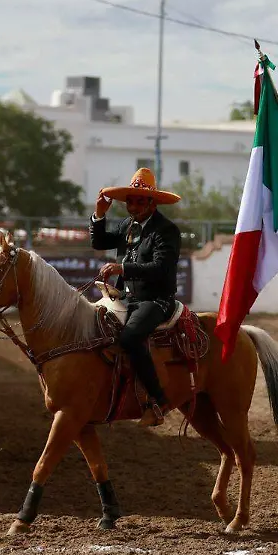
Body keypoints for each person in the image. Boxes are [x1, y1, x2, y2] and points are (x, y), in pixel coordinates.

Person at [91, 167, 183, 428]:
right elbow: (99, 242)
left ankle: (159, 399)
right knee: (94, 325)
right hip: (126, 299)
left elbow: (161, 268)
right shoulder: (126, 225)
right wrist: (99, 214)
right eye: (130, 200)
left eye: (139, 200)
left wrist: (123, 268)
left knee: (130, 338)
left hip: (157, 301)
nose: (132, 205)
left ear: (152, 202)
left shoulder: (167, 231)